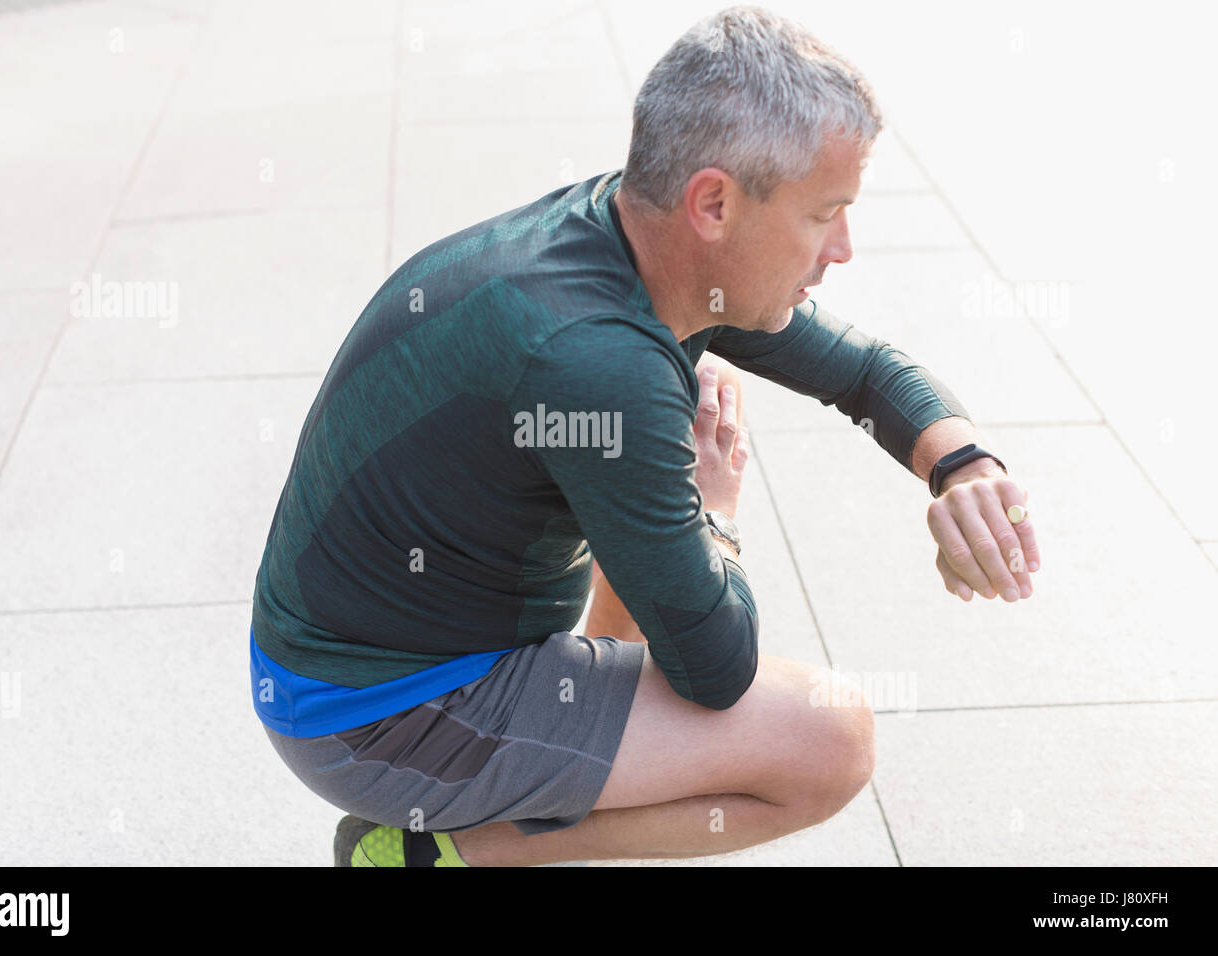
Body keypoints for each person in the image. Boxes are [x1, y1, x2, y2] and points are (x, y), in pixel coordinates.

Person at [250, 4, 1041, 867]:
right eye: (825, 214)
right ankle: (444, 847)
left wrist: (962, 466)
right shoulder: (598, 365)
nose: (843, 249)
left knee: (640, 482)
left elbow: (863, 372)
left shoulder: (634, 233)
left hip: (348, 664)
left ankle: (541, 766)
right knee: (829, 743)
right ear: (715, 203)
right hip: (377, 720)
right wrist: (717, 507)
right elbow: (716, 670)